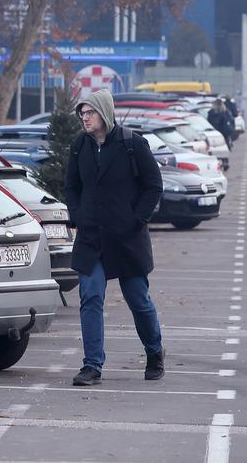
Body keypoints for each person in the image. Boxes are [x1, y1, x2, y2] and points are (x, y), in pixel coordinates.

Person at [65, 89, 165, 386]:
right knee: (90, 296)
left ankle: (154, 351)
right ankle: (92, 365)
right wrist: (78, 215)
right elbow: (72, 187)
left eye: (90, 112)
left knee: (138, 299)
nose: (85, 118)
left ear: (104, 113)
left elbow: (153, 186)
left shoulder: (132, 144)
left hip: (126, 238)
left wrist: (138, 219)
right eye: (82, 113)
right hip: (91, 237)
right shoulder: (78, 146)